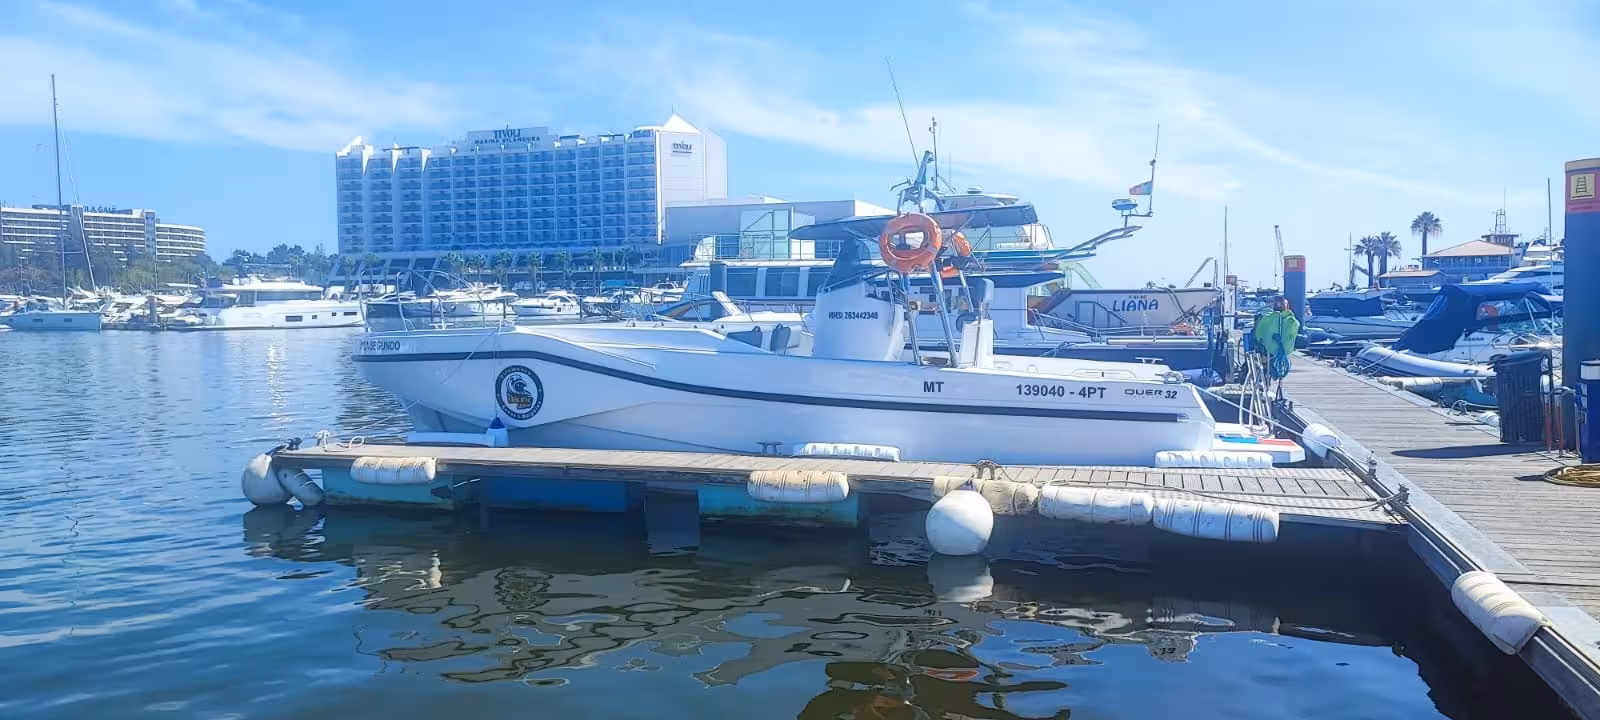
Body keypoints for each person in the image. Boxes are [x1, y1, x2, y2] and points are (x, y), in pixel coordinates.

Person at [1252, 296, 1300, 399]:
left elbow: (1259, 333)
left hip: (1270, 349)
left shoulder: (1268, 318)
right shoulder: (1290, 320)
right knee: (1274, 367)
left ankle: (1265, 384)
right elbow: (1294, 329)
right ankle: (1270, 385)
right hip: (1280, 350)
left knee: (1266, 365)